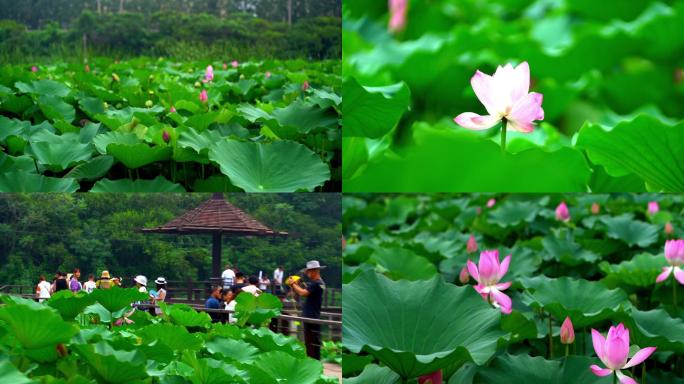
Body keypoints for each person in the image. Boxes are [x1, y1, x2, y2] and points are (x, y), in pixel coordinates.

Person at [288, 260, 326, 360]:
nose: (307, 273)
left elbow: (303, 293)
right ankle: (314, 360)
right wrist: (298, 285)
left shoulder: (316, 283)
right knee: (314, 340)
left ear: (314, 271)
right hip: (314, 315)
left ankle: (313, 361)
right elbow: (308, 291)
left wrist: (293, 285)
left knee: (310, 341)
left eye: (308, 271)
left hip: (310, 316)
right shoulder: (320, 283)